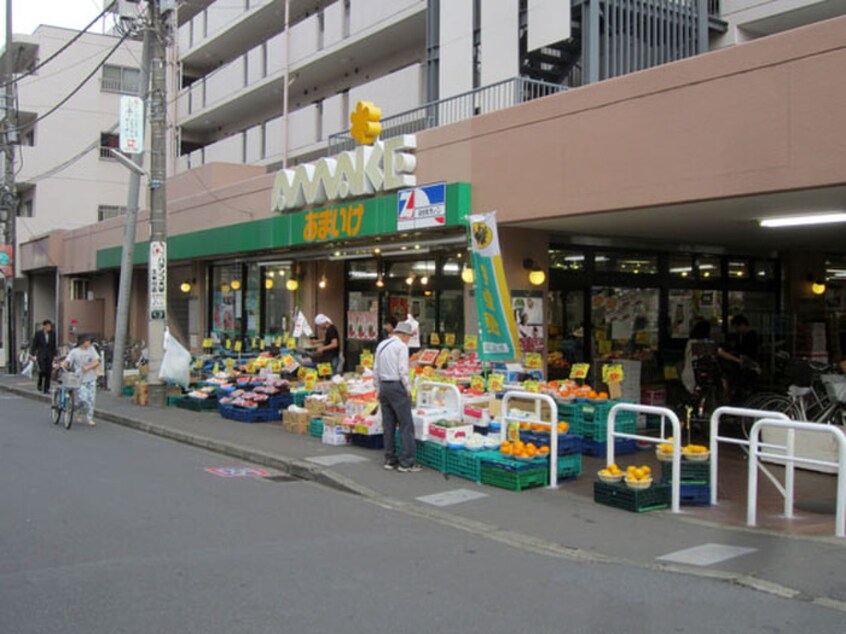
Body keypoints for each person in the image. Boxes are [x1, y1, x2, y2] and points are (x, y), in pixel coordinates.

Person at [373, 321, 421, 472]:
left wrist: (377, 388)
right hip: (397, 386)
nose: (408, 340)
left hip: (384, 386)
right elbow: (403, 370)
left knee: (388, 424)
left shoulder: (382, 345)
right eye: (408, 337)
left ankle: (389, 459)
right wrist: (408, 388)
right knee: (406, 424)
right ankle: (407, 462)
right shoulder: (401, 347)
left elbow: (375, 369)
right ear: (404, 335)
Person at [63, 334, 101, 426]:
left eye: (89, 341)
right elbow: (68, 361)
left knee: (91, 399)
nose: (89, 343)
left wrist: (89, 367)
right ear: (82, 342)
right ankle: (80, 411)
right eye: (87, 341)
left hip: (91, 377)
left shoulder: (91, 349)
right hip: (80, 379)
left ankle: (90, 418)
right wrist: (64, 363)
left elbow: (97, 361)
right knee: (83, 399)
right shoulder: (74, 352)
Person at [30, 319, 58, 394]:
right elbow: (34, 344)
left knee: (48, 371)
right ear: (44, 326)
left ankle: (46, 388)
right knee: (43, 370)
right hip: (41, 355)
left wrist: (55, 354)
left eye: (50, 326)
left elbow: (54, 345)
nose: (49, 328)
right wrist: (32, 354)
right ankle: (40, 383)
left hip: (49, 355)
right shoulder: (38, 334)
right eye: (48, 326)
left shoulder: (52, 333)